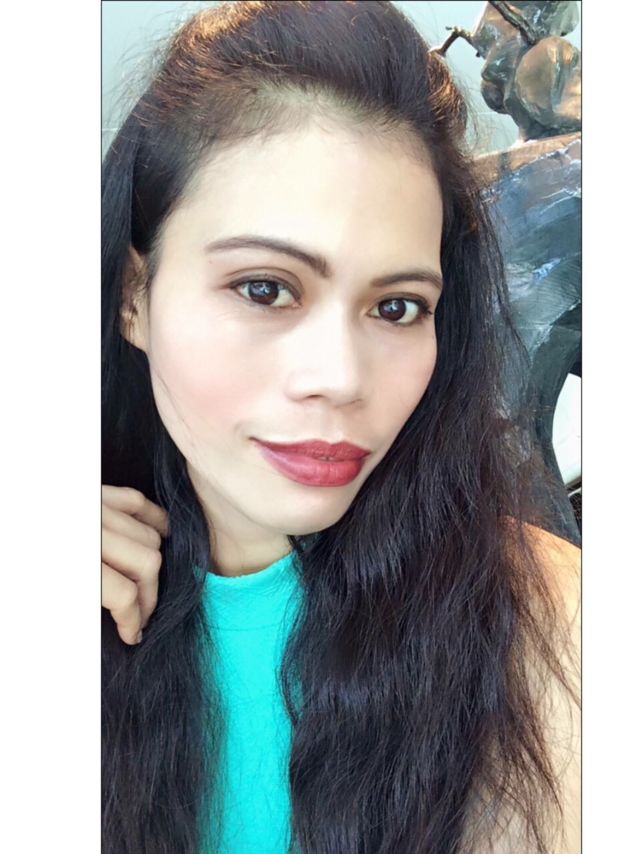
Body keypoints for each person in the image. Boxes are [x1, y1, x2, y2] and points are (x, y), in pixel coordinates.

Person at [101, 2, 580, 852]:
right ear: (134, 297)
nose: (342, 378)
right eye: (265, 289)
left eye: (397, 307)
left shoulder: (562, 636)